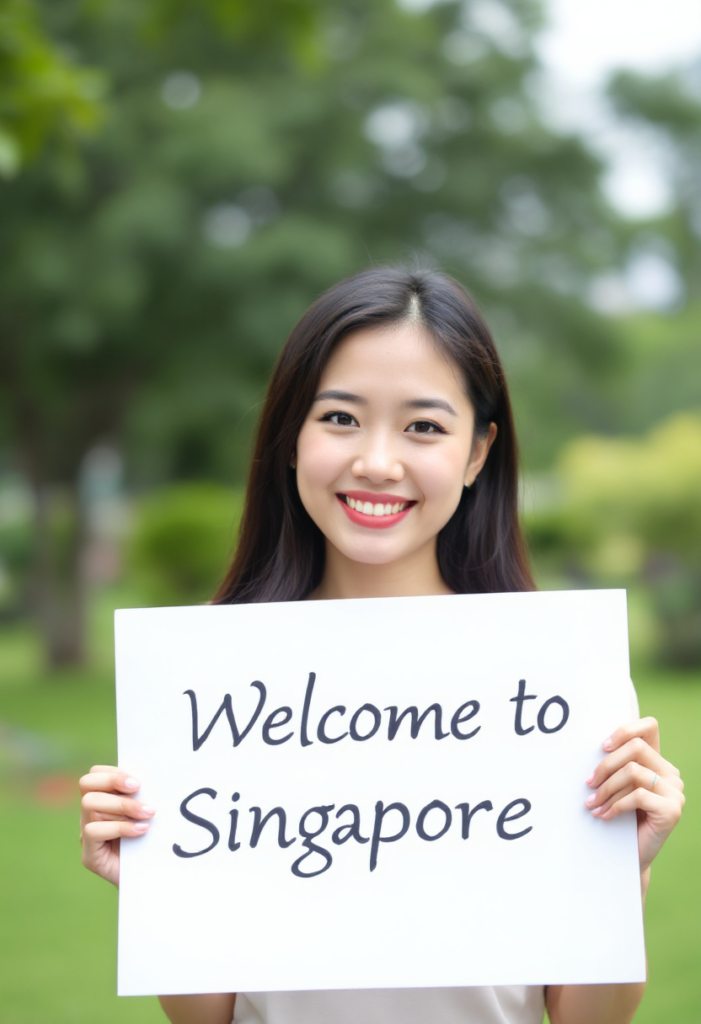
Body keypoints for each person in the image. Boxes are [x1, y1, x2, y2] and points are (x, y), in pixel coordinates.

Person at [80, 267, 685, 1024]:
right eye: (338, 418)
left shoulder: (560, 683)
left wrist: (619, 872)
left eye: (424, 427)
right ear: (290, 437)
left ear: (476, 453)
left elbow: (582, 1020)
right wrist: (157, 886)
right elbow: (208, 1016)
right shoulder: (211, 691)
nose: (375, 460)